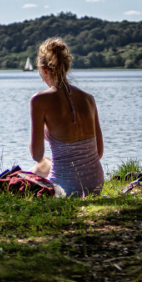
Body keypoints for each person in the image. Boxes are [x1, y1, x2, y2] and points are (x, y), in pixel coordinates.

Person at [29, 37, 105, 197]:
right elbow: (98, 153)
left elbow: (36, 155)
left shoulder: (39, 100)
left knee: (36, 168)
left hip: (66, 187)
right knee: (47, 164)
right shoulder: (89, 98)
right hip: (96, 183)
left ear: (44, 70)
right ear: (66, 66)